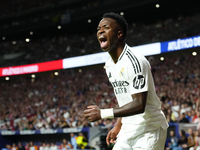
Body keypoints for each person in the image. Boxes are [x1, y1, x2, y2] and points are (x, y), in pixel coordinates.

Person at [83, 12, 168, 149]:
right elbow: (126, 100)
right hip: (128, 131)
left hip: (149, 130)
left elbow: (139, 105)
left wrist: (102, 113)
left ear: (119, 34)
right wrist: (118, 126)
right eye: (99, 29)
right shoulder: (109, 65)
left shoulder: (135, 61)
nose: (100, 31)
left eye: (106, 27)